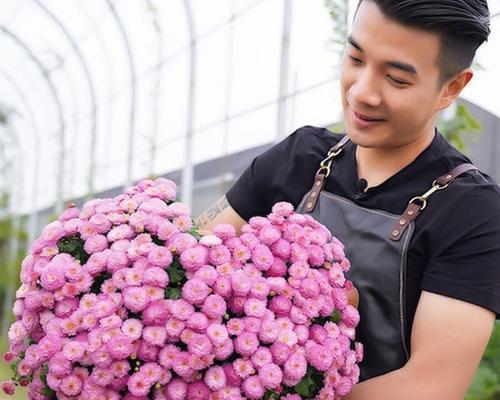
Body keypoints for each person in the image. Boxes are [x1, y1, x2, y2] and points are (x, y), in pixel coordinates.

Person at [196, 0, 499, 398]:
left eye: (396, 79)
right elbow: (196, 250)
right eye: (355, 58)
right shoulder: (297, 158)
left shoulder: (471, 212)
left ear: (452, 87)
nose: (362, 92)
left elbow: (431, 385)